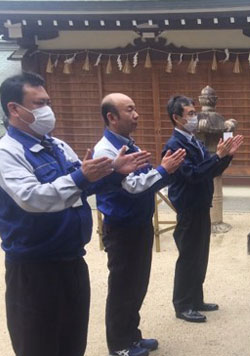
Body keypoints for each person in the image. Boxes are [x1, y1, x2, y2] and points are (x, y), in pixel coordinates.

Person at [0, 72, 150, 356]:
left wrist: (111, 174)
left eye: (48, 102)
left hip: (72, 260)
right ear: (14, 109)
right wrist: (83, 177)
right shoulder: (8, 152)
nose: (47, 109)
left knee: (72, 342)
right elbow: (33, 198)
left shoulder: (58, 147)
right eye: (39, 103)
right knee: (39, 345)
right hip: (34, 268)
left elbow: (81, 189)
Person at [93, 93, 187, 356]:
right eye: (129, 110)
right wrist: (164, 170)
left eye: (135, 109)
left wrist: (163, 172)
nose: (136, 115)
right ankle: (120, 345)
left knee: (137, 284)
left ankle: (132, 336)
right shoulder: (106, 150)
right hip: (122, 229)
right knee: (123, 287)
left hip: (138, 224)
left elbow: (144, 178)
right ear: (111, 117)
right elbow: (132, 187)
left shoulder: (128, 144)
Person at [162, 95, 244, 323]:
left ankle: (196, 299)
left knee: (200, 256)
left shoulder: (194, 140)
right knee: (188, 257)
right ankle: (182, 304)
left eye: (194, 112)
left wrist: (226, 157)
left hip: (201, 206)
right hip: (188, 207)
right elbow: (193, 174)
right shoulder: (174, 146)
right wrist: (217, 156)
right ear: (176, 118)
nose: (194, 117)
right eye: (189, 113)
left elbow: (210, 170)